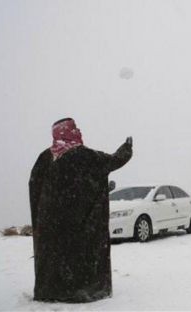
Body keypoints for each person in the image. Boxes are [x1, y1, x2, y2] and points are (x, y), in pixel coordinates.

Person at [29, 118, 133, 303]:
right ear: (67, 132)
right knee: (79, 258)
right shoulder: (84, 156)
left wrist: (44, 216)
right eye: (75, 128)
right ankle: (78, 290)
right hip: (78, 224)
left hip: (51, 227)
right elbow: (112, 161)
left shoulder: (45, 158)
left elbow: (34, 186)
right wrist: (126, 149)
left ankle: (52, 290)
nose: (79, 130)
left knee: (56, 258)